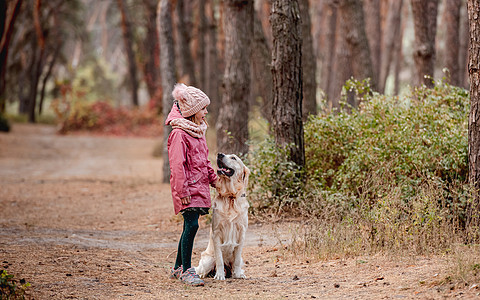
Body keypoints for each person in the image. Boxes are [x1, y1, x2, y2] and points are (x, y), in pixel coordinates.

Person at [165, 83, 217, 286]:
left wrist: (214, 180)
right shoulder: (179, 134)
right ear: (193, 111)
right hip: (187, 189)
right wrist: (182, 191)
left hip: (199, 187)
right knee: (192, 225)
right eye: (203, 108)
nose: (206, 112)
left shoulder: (197, 131)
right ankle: (187, 270)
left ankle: (178, 267)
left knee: (190, 225)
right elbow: (177, 166)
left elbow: (204, 161)